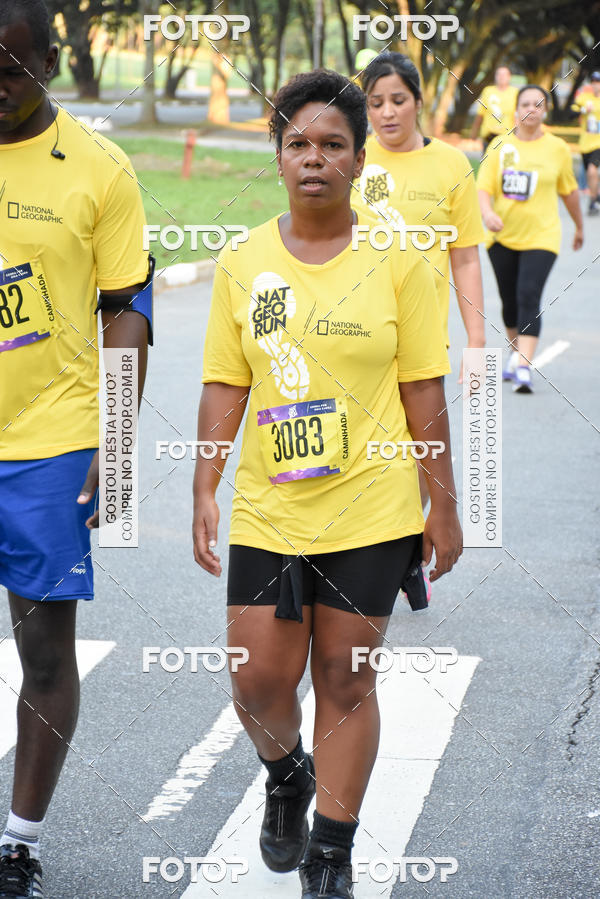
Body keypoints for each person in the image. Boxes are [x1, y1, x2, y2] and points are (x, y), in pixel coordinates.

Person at [193, 69, 462, 898]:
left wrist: (443, 504)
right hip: (272, 508)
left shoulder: (399, 260)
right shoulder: (243, 262)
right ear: (277, 155)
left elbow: (423, 388)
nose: (314, 159)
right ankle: (285, 774)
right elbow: (224, 383)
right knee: (256, 680)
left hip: (372, 508)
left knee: (347, 679)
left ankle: (331, 854)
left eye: (332, 146)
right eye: (298, 143)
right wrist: (204, 484)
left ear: (357, 161)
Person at [0, 2, 152, 896]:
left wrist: (119, 440)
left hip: (50, 446)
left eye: (11, 70)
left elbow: (125, 306)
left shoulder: (100, 167)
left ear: (52, 60)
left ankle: (19, 837)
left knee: (45, 652)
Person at [351, 51, 485, 514]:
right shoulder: (353, 160)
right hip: (357, 332)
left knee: (420, 452)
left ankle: (402, 551)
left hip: (423, 340)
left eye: (397, 100)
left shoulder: (451, 165)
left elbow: (465, 257)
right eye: (375, 102)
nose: (387, 112)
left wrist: (476, 341)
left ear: (418, 102)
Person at [477, 85, 583, 393]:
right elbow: (484, 187)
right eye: (525, 103)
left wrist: (579, 227)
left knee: (528, 295)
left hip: (542, 236)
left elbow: (569, 191)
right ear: (515, 110)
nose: (531, 109)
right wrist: (487, 213)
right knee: (509, 302)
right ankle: (515, 354)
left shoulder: (558, 149)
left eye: (537, 104)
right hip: (502, 237)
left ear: (545, 111)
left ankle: (523, 366)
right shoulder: (499, 145)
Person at [471, 65, 518, 155]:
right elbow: (481, 113)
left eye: (504, 75)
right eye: (499, 74)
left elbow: (517, 115)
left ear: (509, 77)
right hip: (489, 134)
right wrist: (474, 132)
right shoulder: (488, 91)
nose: (501, 77)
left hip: (507, 134)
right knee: (487, 160)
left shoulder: (515, 92)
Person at [571, 72, 600, 215]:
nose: (596, 84)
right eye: (593, 81)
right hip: (585, 143)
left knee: (592, 170)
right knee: (590, 175)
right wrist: (584, 110)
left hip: (598, 144)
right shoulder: (584, 98)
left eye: (598, 81)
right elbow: (571, 113)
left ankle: (592, 203)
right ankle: (597, 196)